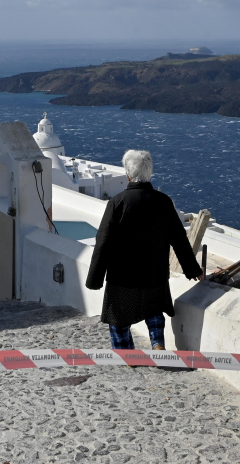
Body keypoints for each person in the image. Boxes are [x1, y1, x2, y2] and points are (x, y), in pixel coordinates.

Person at [85, 149, 204, 351]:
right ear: (149, 173)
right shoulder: (163, 202)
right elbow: (179, 239)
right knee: (154, 311)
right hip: (155, 274)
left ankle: (126, 353)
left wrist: (94, 279)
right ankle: (157, 343)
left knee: (118, 318)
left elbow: (103, 241)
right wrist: (193, 270)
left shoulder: (117, 203)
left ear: (128, 174)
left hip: (122, 277)